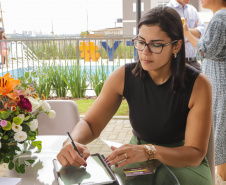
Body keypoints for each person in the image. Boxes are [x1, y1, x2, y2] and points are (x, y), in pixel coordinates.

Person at [57, 7, 212, 185]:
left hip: (182, 159)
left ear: (176, 46)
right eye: (141, 41)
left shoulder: (198, 84)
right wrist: (72, 142)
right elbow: (91, 124)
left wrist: (149, 151)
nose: (145, 51)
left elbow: (194, 154)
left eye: (156, 44)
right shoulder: (123, 76)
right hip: (136, 156)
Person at [183, 0, 226, 184]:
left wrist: (185, 33)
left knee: (218, 132)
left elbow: (205, 50)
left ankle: (221, 177)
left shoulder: (219, 17)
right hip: (220, 79)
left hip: (219, 82)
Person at [167, 0, 206, 71]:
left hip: (194, 62)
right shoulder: (168, 10)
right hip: (177, 63)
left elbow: (203, 31)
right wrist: (193, 34)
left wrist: (186, 32)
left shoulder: (192, 10)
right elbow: (172, 37)